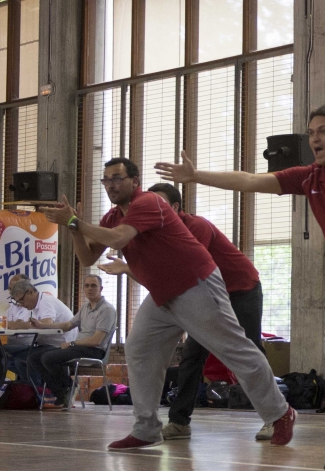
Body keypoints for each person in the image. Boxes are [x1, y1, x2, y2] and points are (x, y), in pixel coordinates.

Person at [156, 105, 325, 471]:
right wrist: (195, 175)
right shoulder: (310, 177)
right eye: (311, 132)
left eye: (323, 131)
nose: (315, 138)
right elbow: (250, 181)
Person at [45, 157, 295, 451]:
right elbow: (87, 257)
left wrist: (75, 222)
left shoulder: (148, 202)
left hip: (195, 285)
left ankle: (280, 413)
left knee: (235, 349)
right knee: (139, 348)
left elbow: (118, 239)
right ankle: (147, 428)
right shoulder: (112, 216)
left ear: (135, 181)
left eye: (117, 178)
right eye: (106, 180)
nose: (111, 185)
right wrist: (74, 229)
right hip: (162, 293)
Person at [98, 182, 271, 441]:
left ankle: (274, 418)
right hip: (202, 298)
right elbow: (163, 279)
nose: (151, 210)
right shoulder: (151, 234)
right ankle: (179, 422)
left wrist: (128, 268)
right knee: (192, 356)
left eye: (159, 204)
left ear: (175, 207)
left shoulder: (195, 227)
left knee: (248, 349)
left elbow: (185, 271)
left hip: (240, 289)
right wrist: (128, 267)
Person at [30, 274, 116, 409]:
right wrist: (42, 325)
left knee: (48, 358)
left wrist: (72, 343)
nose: (90, 288)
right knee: (34, 358)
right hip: (79, 347)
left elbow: (96, 340)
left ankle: (69, 387)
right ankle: (62, 391)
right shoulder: (85, 307)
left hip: (95, 350)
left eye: (93, 285)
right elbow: (68, 325)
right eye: (86, 285)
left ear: (101, 288)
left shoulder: (107, 310)